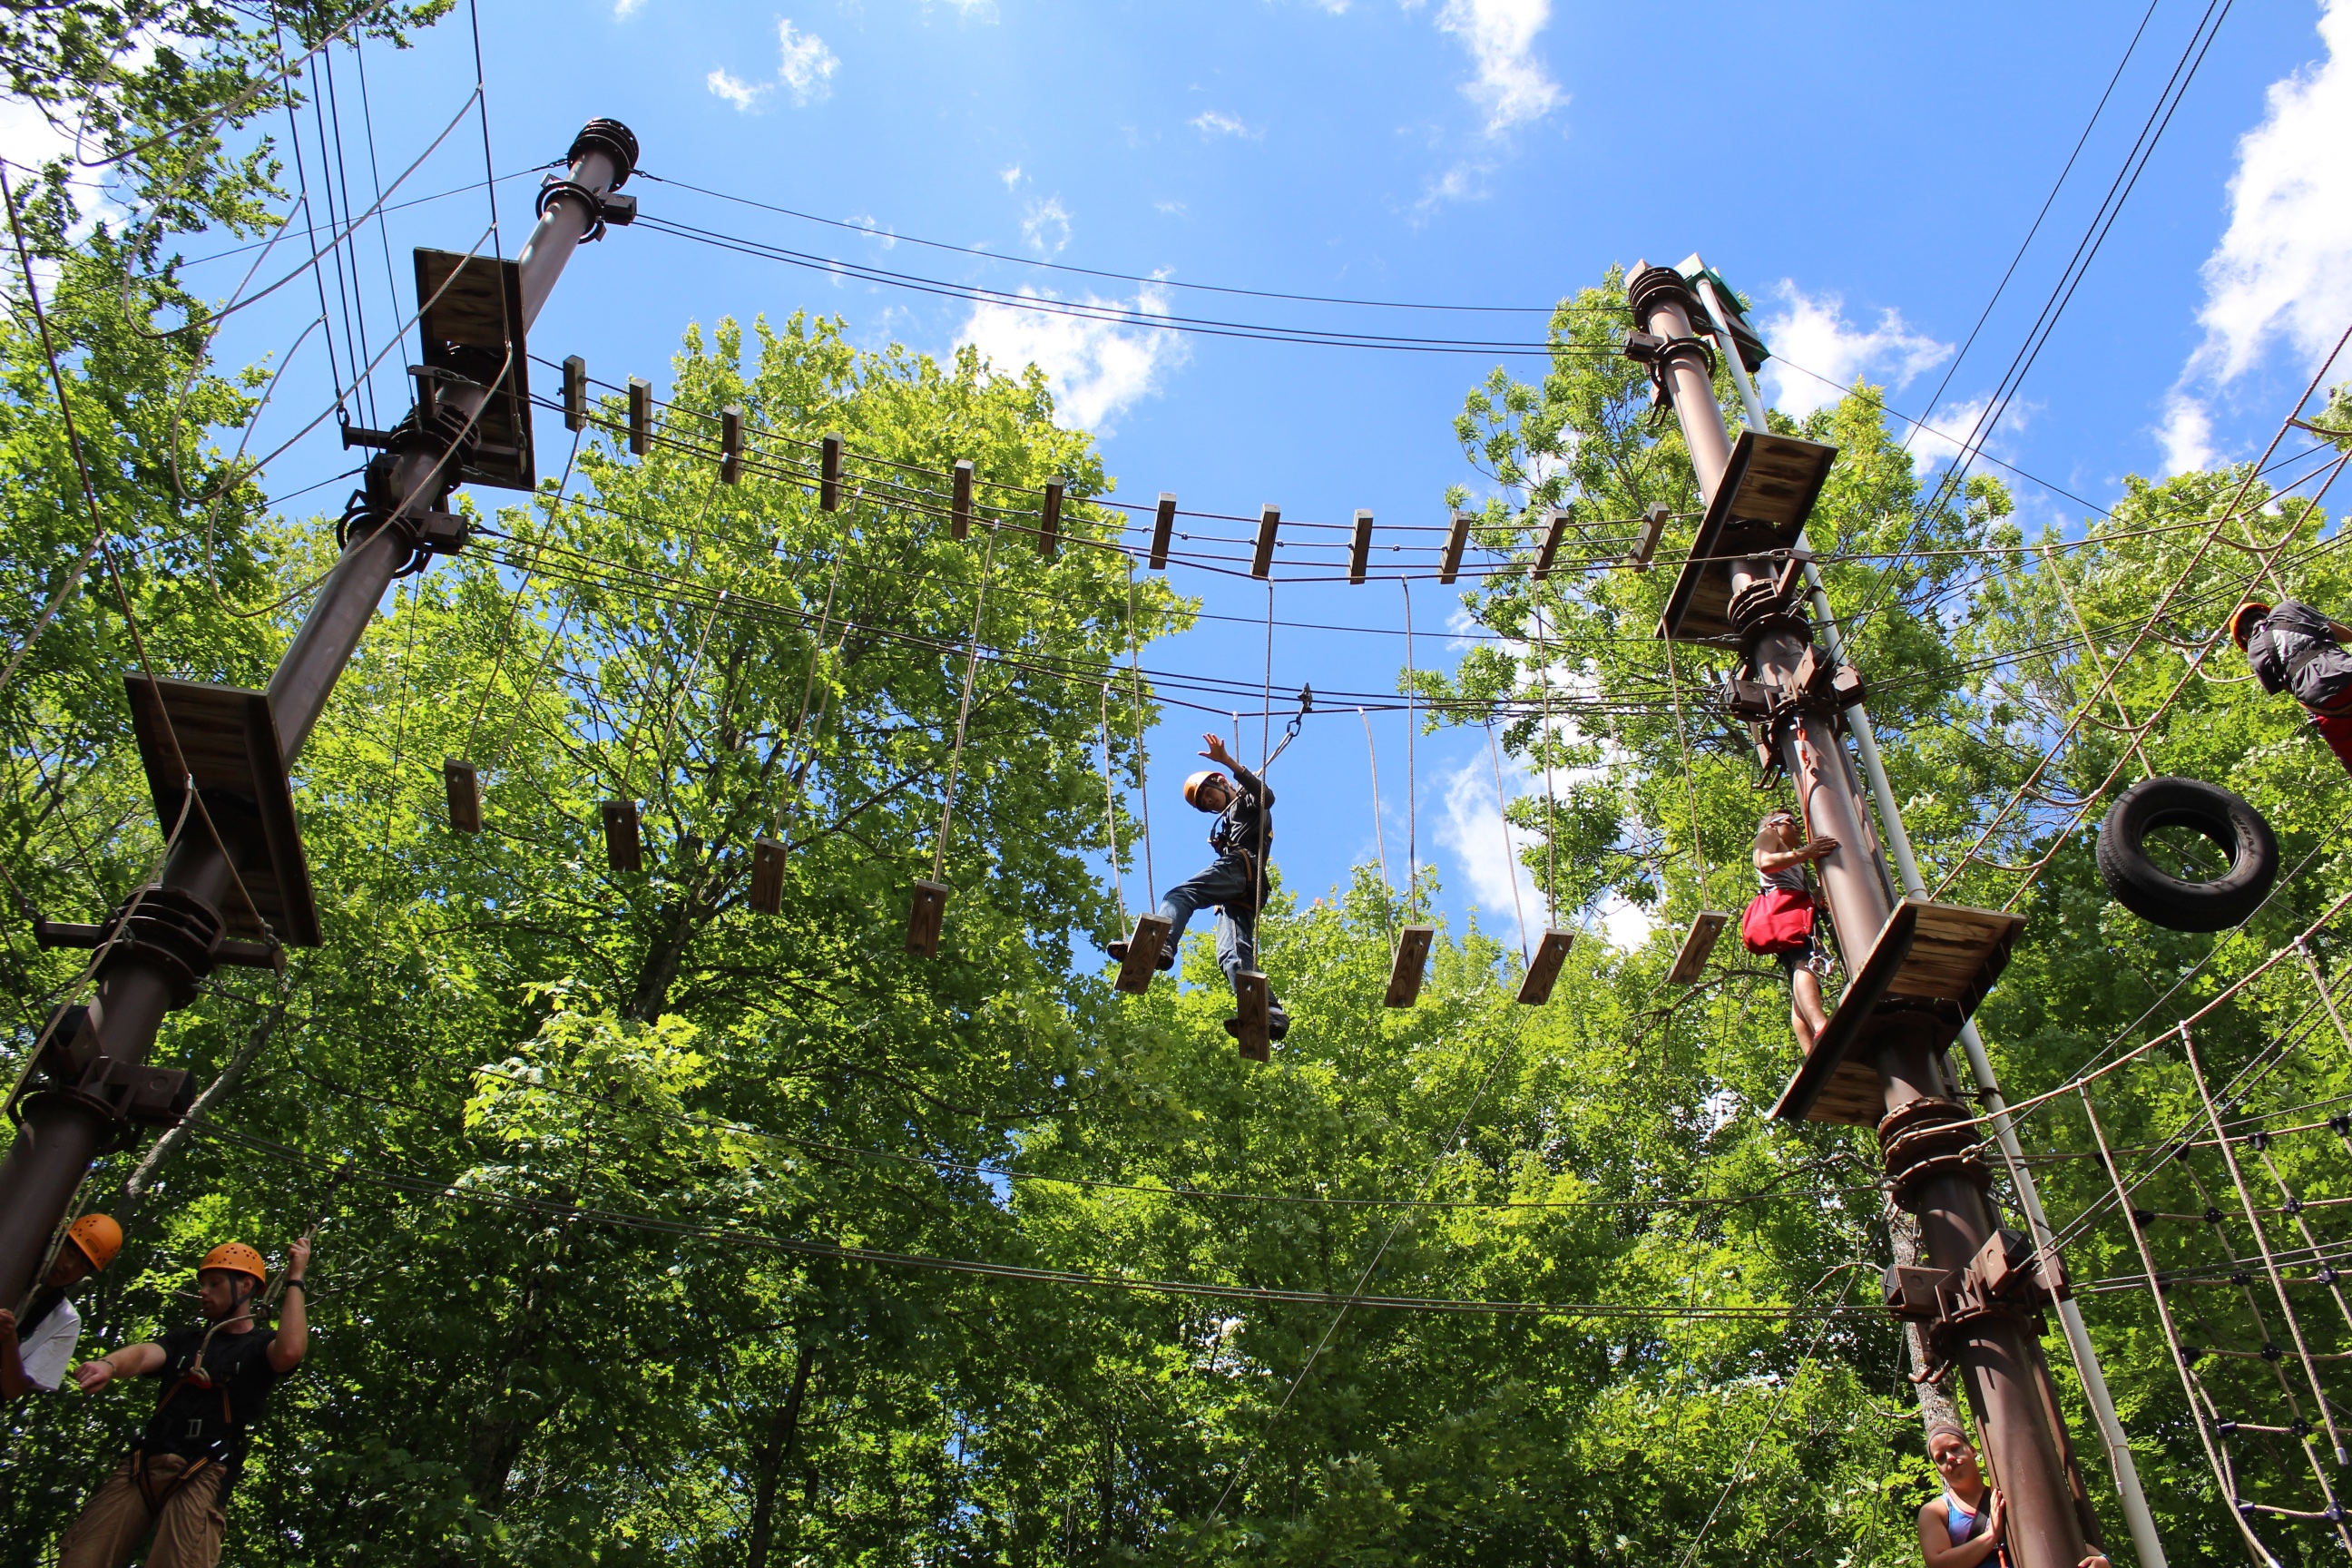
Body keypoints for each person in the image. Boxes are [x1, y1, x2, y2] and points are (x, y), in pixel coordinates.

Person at [58, 1235, 311, 1568]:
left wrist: (296, 1276)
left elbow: (290, 1351)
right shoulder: (185, 1341)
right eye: (202, 1283)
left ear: (246, 1285)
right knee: (81, 1559)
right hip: (144, 1463)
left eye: (214, 1283)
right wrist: (110, 1365)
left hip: (204, 1470)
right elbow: (145, 1353)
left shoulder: (259, 1347)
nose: (203, 1291)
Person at [1110, 732, 1289, 1041]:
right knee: (1230, 953)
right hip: (1246, 888)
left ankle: (1161, 944)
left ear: (1221, 781)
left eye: (1208, 795)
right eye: (1204, 804)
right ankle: (1270, 1012)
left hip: (1241, 869)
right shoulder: (1231, 819)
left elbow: (1267, 797)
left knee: (1181, 895)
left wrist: (1228, 761)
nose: (1208, 803)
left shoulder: (1246, 801)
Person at [1917, 1424, 2111, 1568]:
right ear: (1938, 1469)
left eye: (1955, 1448)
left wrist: (2103, 1561)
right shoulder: (1935, 1511)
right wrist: (1992, 1534)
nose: (1950, 1458)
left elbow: (2050, 1530)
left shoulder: (2004, 1495)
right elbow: (1938, 1564)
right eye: (1941, 1458)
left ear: (1973, 1450)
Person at [0, 1212, 121, 1399]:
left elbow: (13, 1389)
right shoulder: (9, 1264)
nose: (69, 1267)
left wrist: (9, 1340)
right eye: (70, 1253)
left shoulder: (66, 1320)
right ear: (58, 1243)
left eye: (81, 1266)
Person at [2231, 599, 2352, 772]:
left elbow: (2288, 688)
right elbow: (2345, 634)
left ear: (2244, 637)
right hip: (2347, 670)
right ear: (2265, 611)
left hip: (2324, 705)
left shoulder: (2255, 652)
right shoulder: (2288, 608)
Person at [1752, 808, 1836, 1052]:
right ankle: (1821, 1025)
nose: (1798, 827)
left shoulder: (1789, 856)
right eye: (1791, 822)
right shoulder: (1768, 834)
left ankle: (1810, 1051)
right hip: (1787, 911)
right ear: (1775, 824)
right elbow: (1764, 862)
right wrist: (1806, 852)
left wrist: (1818, 893)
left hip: (1792, 910)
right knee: (1805, 962)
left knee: (1797, 976)